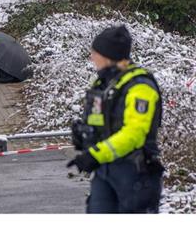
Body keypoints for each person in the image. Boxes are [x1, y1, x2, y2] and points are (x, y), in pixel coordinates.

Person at [68, 25, 164, 213]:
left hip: (134, 173)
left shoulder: (140, 87)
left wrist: (96, 154)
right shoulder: (106, 84)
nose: (92, 58)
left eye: (95, 53)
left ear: (107, 56)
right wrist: (86, 136)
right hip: (105, 171)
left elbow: (134, 134)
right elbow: (104, 124)